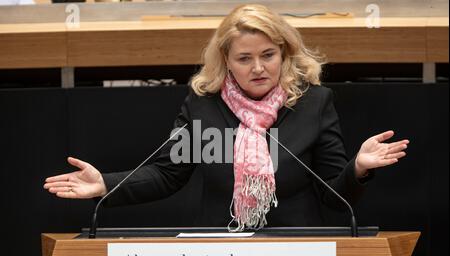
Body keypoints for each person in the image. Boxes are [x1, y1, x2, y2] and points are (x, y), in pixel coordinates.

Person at [43, 4, 409, 231]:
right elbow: (169, 172)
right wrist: (106, 184)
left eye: (268, 54)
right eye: (244, 58)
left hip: (298, 247)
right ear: (226, 62)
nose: (259, 68)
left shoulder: (314, 102)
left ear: (284, 53)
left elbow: (333, 193)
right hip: (219, 246)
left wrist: (358, 168)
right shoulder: (204, 104)